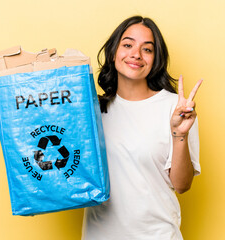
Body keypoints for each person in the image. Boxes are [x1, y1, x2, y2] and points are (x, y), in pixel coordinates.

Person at [82, 16, 203, 240]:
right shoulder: (92, 111)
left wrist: (179, 134)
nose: (136, 54)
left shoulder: (176, 108)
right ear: (113, 52)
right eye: (127, 45)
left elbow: (182, 185)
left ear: (155, 59)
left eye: (147, 49)